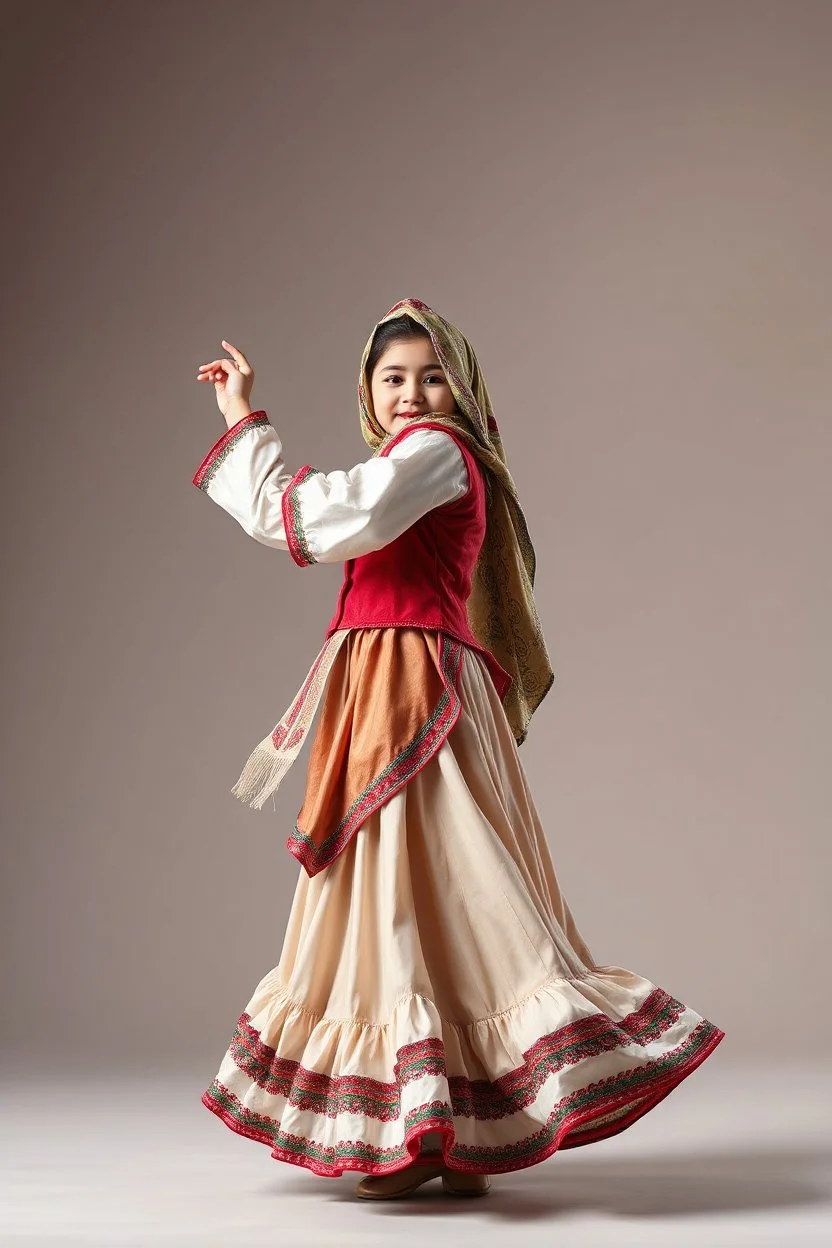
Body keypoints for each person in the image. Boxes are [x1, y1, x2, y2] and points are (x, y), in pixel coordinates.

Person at [192, 297, 725, 1202]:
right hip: (388, 684)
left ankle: (428, 1127)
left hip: (417, 689)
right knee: (417, 897)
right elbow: (339, 520)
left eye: (432, 376)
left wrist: (245, 422)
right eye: (392, 378)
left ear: (464, 389)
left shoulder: (438, 453)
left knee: (420, 888)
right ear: (367, 389)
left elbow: (322, 524)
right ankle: (446, 1127)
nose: (411, 393)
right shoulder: (408, 459)